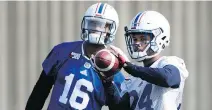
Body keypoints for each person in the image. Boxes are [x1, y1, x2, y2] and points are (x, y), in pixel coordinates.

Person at [25, 3, 125, 110]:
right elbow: (40, 92)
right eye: (92, 23)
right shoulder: (62, 51)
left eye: (102, 25)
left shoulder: (113, 71)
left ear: (111, 29)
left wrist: (108, 83)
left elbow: (118, 107)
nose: (96, 28)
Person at [102, 11, 189, 110]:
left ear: (160, 38)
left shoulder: (171, 62)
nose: (137, 43)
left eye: (143, 39)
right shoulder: (133, 79)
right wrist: (107, 83)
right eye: (135, 39)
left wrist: (131, 68)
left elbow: (167, 78)